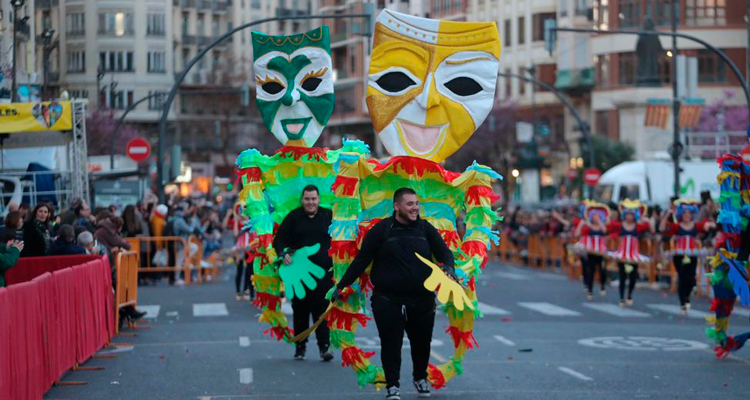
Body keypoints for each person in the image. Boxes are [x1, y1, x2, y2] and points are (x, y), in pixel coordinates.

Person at [332, 188, 456, 399]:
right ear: (397, 206)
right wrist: (341, 285)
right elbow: (361, 261)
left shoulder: (425, 229)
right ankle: (393, 385)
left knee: (422, 342)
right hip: (387, 299)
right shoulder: (382, 230)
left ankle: (420, 377)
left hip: (422, 299)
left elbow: (444, 252)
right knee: (391, 343)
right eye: (410, 204)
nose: (415, 208)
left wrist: (450, 268)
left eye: (416, 203)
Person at [273, 185, 334, 362]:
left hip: (323, 273)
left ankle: (324, 347)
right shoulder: (294, 217)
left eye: (313, 199)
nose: (310, 202)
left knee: (322, 309)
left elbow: (340, 238)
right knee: (300, 310)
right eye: (307, 199)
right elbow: (279, 240)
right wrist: (282, 254)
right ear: (302, 200)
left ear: (319, 199)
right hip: (298, 274)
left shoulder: (328, 216)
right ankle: (300, 347)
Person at [660, 199, 716, 313]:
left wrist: (711, 221)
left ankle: (687, 297)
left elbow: (709, 226)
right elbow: (661, 228)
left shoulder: (695, 226)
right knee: (682, 277)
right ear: (680, 214)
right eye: (684, 212)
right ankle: (683, 303)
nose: (687, 215)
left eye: (689, 213)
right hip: (679, 255)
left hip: (692, 255)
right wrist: (667, 214)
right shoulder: (676, 226)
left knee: (691, 279)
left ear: (692, 214)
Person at [607, 199, 655, 307]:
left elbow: (651, 229)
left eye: (632, 215)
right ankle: (621, 298)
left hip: (633, 255)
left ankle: (629, 294)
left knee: (633, 277)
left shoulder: (638, 226)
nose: (630, 217)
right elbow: (609, 226)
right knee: (622, 276)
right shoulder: (620, 225)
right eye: (628, 214)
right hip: (622, 255)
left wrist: (643, 218)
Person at [573, 202, 611, 300]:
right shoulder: (587, 225)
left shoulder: (603, 225)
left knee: (602, 270)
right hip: (591, 251)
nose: (596, 217)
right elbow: (577, 234)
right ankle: (590, 290)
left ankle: (602, 285)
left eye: (598, 215)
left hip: (601, 251)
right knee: (590, 270)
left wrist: (600, 222)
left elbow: (605, 231)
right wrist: (581, 225)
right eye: (594, 215)